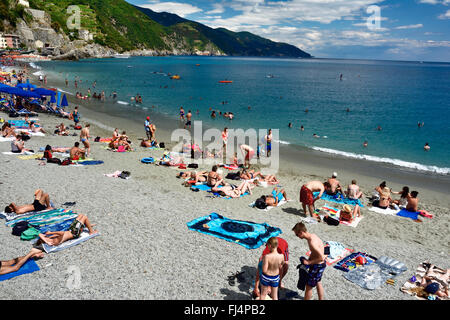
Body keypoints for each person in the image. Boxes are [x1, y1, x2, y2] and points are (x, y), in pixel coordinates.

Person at [292, 222, 326, 300]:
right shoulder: (313, 235)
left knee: (308, 286)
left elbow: (321, 258)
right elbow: (316, 252)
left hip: (318, 265)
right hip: (320, 265)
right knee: (318, 282)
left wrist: (309, 262)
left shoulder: (312, 242)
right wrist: (309, 259)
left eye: (297, 234)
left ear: (301, 232)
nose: (297, 236)